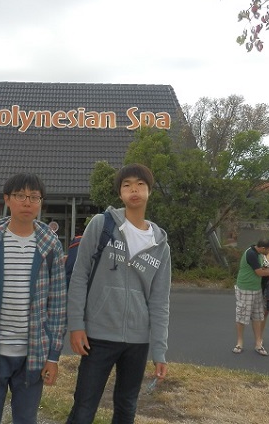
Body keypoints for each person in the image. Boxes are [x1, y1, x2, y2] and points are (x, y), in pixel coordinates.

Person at [66, 163, 172, 424]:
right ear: (120, 193)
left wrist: (159, 350)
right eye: (127, 185)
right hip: (98, 335)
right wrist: (76, 325)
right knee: (84, 406)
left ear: (149, 191)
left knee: (126, 407)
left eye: (140, 184)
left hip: (137, 341)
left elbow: (159, 301)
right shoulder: (101, 225)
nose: (134, 190)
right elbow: (79, 276)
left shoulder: (160, 244)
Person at [0, 173, 67, 424]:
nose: (27, 202)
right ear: (7, 199)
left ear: (41, 202)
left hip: (33, 356)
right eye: (20, 196)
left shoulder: (51, 248)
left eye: (34, 197)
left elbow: (58, 307)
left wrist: (53, 357)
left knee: (27, 419)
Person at [233, 237, 269, 357]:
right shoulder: (251, 254)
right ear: (262, 248)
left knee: (258, 316)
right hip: (246, 288)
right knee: (242, 316)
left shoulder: (259, 254)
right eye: (268, 250)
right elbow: (260, 272)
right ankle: (239, 343)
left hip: (257, 289)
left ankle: (258, 344)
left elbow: (263, 268)